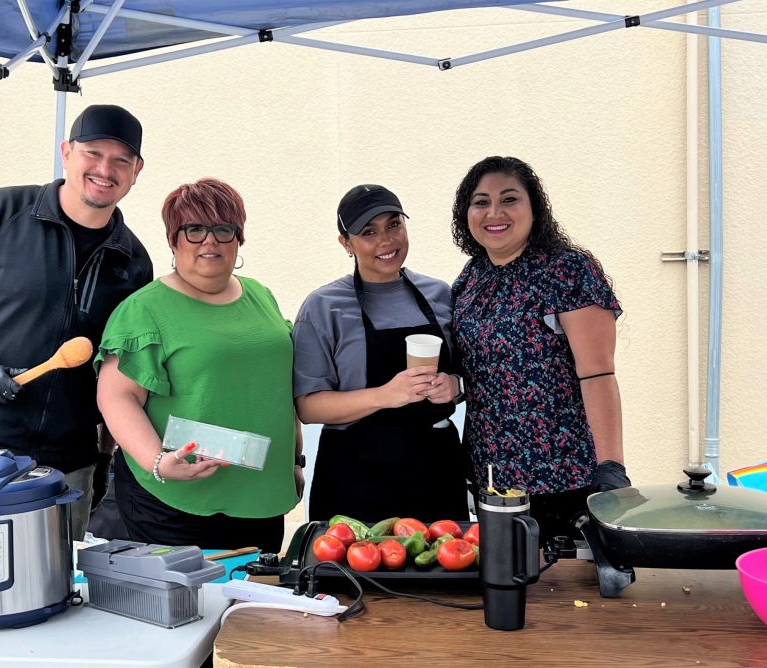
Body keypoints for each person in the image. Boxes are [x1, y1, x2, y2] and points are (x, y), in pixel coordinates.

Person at [0, 104, 153, 540]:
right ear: (66, 153)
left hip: (66, 468)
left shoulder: (133, 262)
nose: (104, 169)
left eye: (120, 161)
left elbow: (119, 372)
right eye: (92, 153)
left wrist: (104, 455)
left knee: (54, 595)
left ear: (136, 171)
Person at [95, 178, 299, 553]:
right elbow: (117, 398)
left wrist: (296, 461)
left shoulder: (260, 295)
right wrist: (157, 461)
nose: (210, 241)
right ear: (174, 239)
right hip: (177, 500)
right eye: (194, 230)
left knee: (249, 609)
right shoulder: (144, 310)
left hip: (259, 498)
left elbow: (279, 387)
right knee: (188, 607)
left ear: (239, 239)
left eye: (223, 229)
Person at [449, 156, 631, 544]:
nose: (494, 212)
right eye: (481, 202)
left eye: (509, 199)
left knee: (564, 598)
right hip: (494, 481)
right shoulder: (470, 279)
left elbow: (598, 373)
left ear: (534, 209)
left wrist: (611, 465)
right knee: (506, 589)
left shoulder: (567, 271)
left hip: (565, 476)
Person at [292, 185, 470, 523]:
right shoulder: (324, 307)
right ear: (346, 243)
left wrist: (454, 386)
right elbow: (309, 406)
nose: (386, 241)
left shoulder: (441, 294)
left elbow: (468, 376)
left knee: (445, 573)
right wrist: (386, 395)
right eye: (368, 232)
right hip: (355, 476)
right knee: (349, 575)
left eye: (394, 225)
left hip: (435, 470)